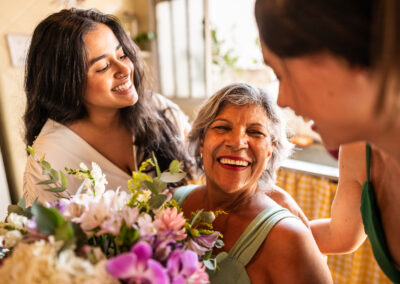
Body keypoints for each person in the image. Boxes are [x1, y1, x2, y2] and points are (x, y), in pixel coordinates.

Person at [254, 0, 400, 282]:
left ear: (341, 51)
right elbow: (340, 234)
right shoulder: (359, 148)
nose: (282, 100)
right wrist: (256, 226)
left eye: (281, 74)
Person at [22, 8, 193, 206]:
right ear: (66, 83)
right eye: (103, 67)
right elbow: (50, 234)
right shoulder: (49, 160)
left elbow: (199, 177)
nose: (124, 70)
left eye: (121, 55)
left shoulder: (158, 108)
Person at [173, 83, 332, 284]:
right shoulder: (171, 204)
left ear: (270, 150)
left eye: (255, 132)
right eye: (222, 127)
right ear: (202, 141)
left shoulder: (289, 238)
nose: (237, 142)